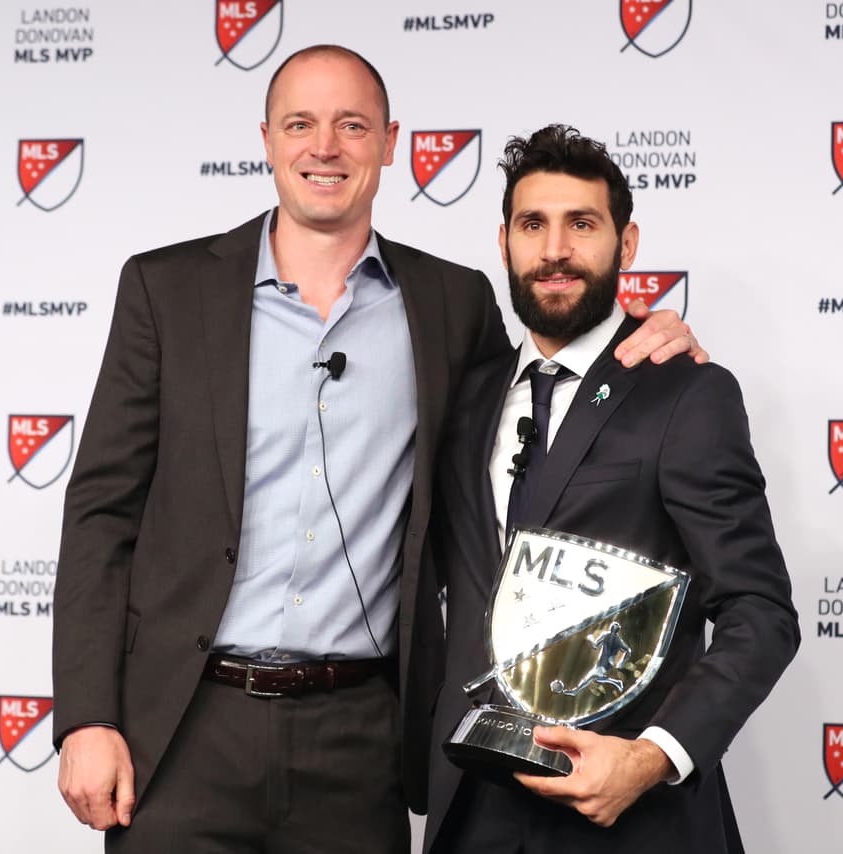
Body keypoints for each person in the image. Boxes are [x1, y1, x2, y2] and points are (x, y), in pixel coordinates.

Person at [51, 46, 704, 853]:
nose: (325, 147)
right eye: (301, 123)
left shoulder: (451, 302)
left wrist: (644, 337)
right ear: (266, 138)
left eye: (351, 125)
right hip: (181, 730)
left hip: (361, 739)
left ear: (390, 142)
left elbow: (554, 377)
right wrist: (84, 715)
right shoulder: (166, 289)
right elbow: (100, 515)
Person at [423, 125, 799, 853]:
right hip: (472, 813)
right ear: (503, 243)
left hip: (629, 818)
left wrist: (654, 755)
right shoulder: (465, 399)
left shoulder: (686, 395)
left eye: (582, 225)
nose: (556, 249)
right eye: (534, 225)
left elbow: (761, 613)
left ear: (625, 246)